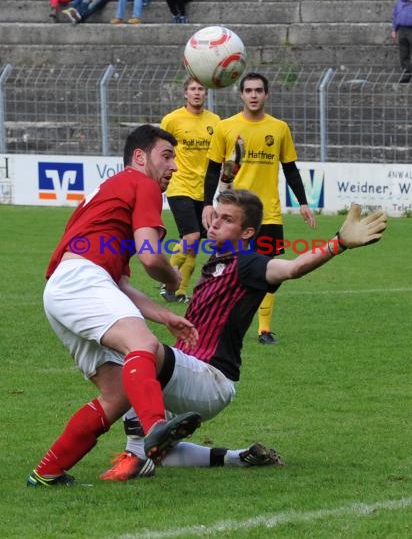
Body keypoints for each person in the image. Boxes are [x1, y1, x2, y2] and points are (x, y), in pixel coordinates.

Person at [99, 189, 387, 480]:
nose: (215, 223)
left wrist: (337, 243)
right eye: (216, 216)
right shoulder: (215, 262)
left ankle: (133, 457)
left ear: (247, 232)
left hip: (210, 379)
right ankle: (241, 457)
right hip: (187, 375)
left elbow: (293, 268)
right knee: (163, 453)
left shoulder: (249, 263)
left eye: (227, 219)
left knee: (138, 355)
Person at [26, 124, 203, 488]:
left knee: (117, 394)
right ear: (139, 158)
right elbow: (153, 260)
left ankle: (48, 471)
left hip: (65, 289)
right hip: (81, 281)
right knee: (144, 346)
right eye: (166, 156)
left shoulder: (111, 194)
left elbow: (119, 284)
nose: (173, 167)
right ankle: (156, 428)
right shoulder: (143, 184)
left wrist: (164, 313)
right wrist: (173, 281)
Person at [202, 72, 316, 346]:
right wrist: (208, 204)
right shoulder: (225, 127)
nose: (253, 95)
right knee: (226, 268)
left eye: (259, 90)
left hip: (269, 213)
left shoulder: (279, 128)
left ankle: (264, 330)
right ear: (241, 94)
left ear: (267, 94)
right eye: (249, 90)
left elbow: (290, 168)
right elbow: (213, 169)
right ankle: (216, 319)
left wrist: (302, 201)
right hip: (233, 213)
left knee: (271, 273)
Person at [159, 77, 220, 304]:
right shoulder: (172, 120)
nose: (197, 93)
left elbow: (219, 154)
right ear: (185, 93)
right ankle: (167, 277)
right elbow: (160, 149)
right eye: (192, 89)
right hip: (179, 184)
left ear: (206, 93)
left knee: (194, 246)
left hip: (204, 189)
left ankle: (180, 292)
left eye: (200, 89)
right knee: (191, 236)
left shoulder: (215, 121)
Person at [391, 0, 412, 84]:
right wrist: (394, 30)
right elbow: (395, 15)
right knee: (404, 55)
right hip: (402, 30)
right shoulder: (400, 1)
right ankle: (406, 75)